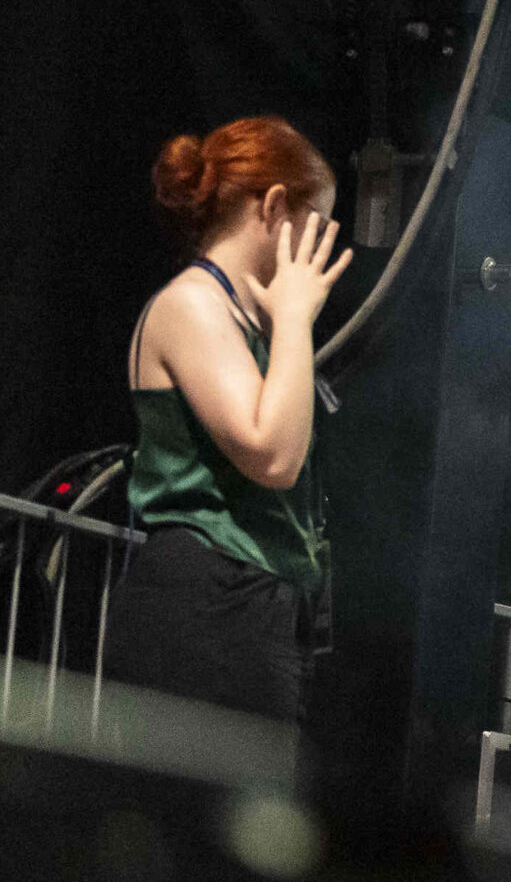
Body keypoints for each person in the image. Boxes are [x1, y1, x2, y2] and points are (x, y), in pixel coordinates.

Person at [111, 116, 352, 722]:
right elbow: (270, 455)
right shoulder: (192, 304)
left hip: (255, 604)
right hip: (206, 605)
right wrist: (296, 321)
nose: (317, 254)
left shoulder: (252, 324)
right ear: (274, 205)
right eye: (315, 228)